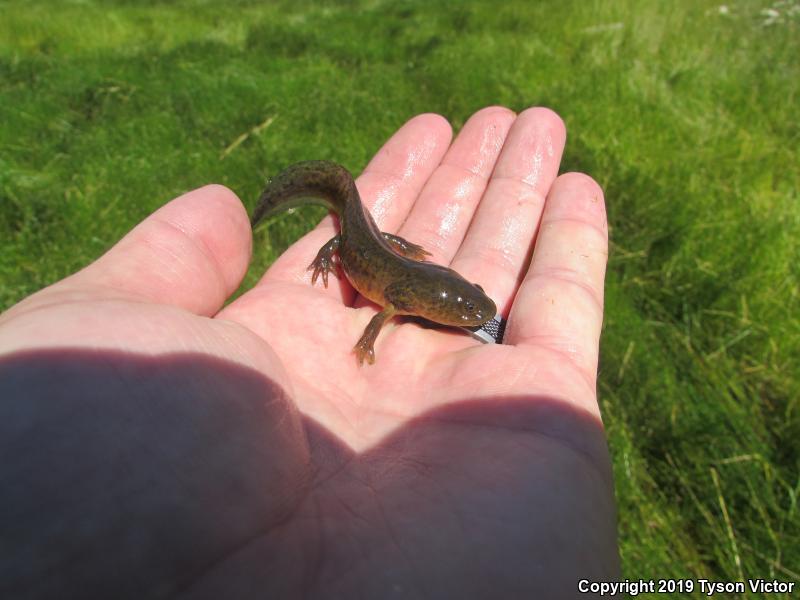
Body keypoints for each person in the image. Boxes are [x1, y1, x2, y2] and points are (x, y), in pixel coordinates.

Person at [0, 106, 619, 598]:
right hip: (365, 241)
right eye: (462, 307)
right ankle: (336, 238)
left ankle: (359, 237)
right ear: (419, 303)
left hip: (383, 246)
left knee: (376, 240)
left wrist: (427, 287)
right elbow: (377, 322)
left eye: (469, 303)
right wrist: (361, 325)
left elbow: (421, 301)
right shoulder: (401, 296)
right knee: (355, 238)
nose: (471, 312)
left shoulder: (419, 289)